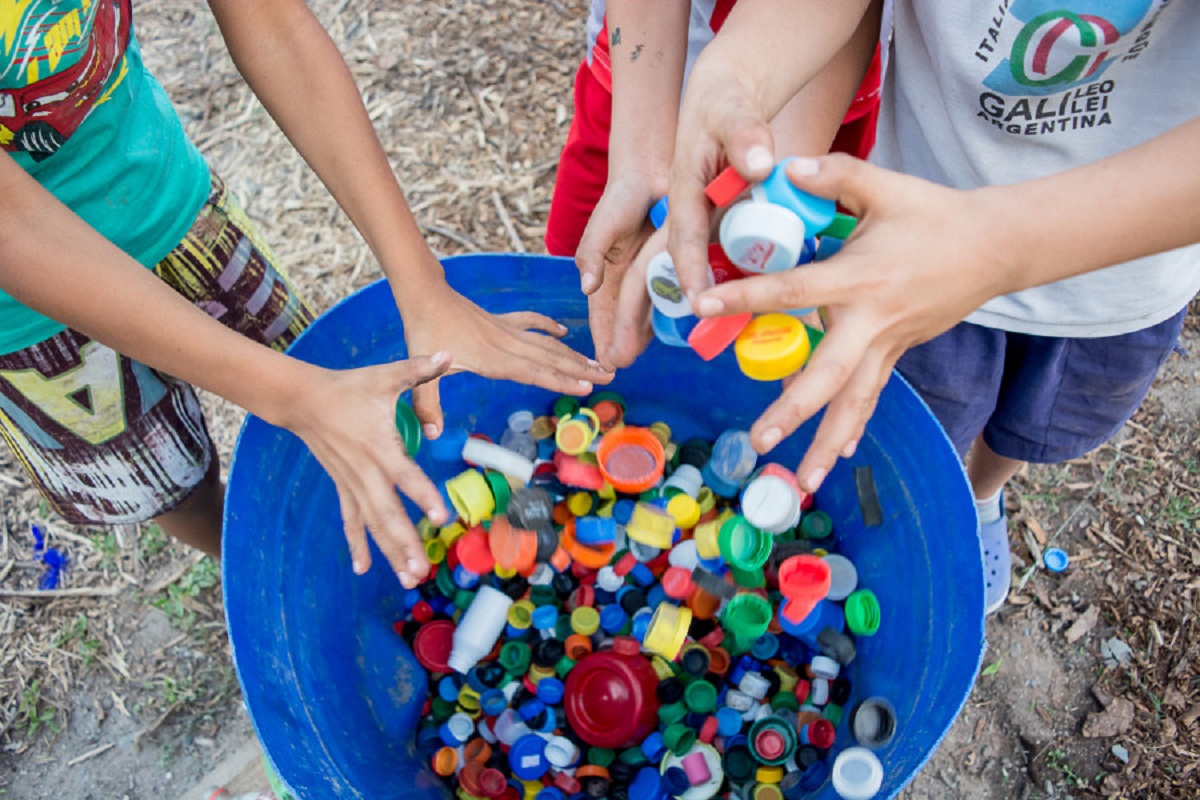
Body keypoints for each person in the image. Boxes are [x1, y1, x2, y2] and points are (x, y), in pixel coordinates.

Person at [0, 0, 611, 591]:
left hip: (169, 200)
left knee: (310, 380)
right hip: (27, 321)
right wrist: (298, 397)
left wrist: (423, 286)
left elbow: (272, 23)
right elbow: (14, 228)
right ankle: (240, 554)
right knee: (161, 477)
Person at [626, 0, 1200, 613]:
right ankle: (957, 487)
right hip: (905, 243)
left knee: (1037, 426)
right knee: (933, 418)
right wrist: (738, 71)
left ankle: (981, 497)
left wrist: (994, 247)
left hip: (1118, 276)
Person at [545, 0, 881, 365]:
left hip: (813, 104)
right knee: (591, 280)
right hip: (639, 82)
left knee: (795, 319)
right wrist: (641, 162)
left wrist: (770, 194)